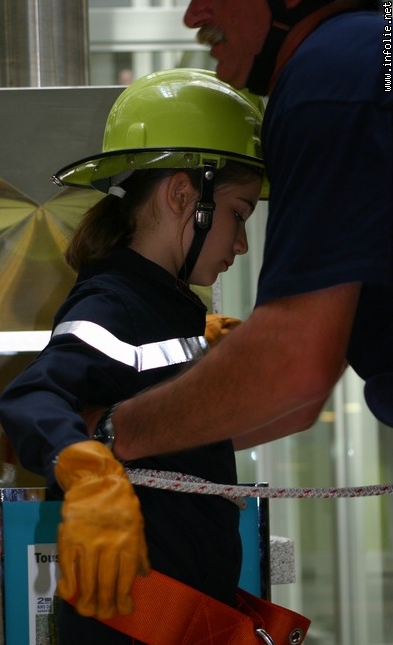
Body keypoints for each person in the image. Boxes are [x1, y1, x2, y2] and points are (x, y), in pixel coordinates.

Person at [0, 68, 268, 644]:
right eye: (239, 214)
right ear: (182, 195)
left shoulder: (164, 311)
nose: (242, 243)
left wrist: (204, 357)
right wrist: (90, 477)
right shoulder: (113, 303)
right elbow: (32, 397)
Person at [98, 1, 393, 460]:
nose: (194, 16)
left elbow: (293, 365)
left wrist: (99, 435)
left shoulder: (329, 78)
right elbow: (296, 399)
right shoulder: (364, 57)